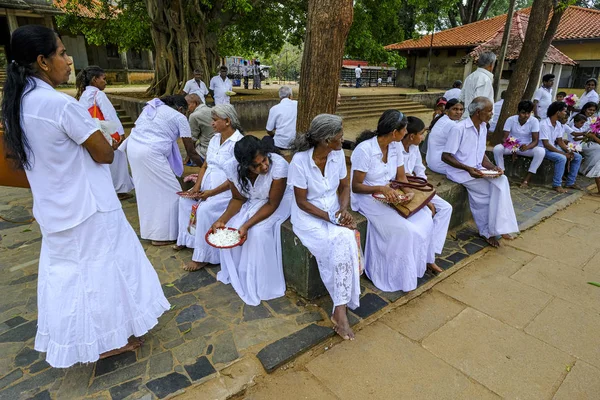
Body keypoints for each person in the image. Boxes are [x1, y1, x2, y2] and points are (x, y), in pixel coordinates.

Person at [1, 25, 169, 368]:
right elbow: (103, 154)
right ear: (42, 61)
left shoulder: (19, 103)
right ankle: (107, 340)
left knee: (67, 276)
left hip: (55, 206)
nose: (69, 60)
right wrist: (110, 142)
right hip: (89, 206)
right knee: (102, 272)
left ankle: (89, 338)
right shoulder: (60, 105)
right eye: (62, 53)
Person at [351, 109, 441, 296]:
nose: (406, 133)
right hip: (367, 198)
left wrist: (408, 194)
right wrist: (380, 189)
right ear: (394, 132)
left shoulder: (395, 147)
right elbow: (356, 186)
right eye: (404, 130)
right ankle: (392, 276)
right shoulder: (365, 150)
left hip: (392, 194)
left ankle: (413, 270)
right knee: (406, 231)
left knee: (425, 217)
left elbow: (401, 177)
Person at [288, 114, 361, 340]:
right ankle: (341, 309)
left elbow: (344, 186)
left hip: (333, 211)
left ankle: (339, 310)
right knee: (336, 245)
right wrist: (330, 217)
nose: (342, 139)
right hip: (308, 217)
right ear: (326, 140)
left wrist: (344, 210)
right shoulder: (300, 161)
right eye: (339, 137)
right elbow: (301, 202)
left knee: (346, 239)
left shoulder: (337, 155)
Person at [213, 136, 293, 305]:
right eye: (256, 165)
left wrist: (247, 225)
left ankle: (263, 282)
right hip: (254, 202)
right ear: (244, 166)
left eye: (264, 159)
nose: (264, 166)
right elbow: (237, 199)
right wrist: (222, 220)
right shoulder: (231, 168)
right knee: (231, 227)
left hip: (280, 201)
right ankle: (242, 272)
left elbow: (272, 203)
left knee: (257, 232)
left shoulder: (279, 166)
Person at [442, 97, 519, 248]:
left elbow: (481, 154)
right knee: (487, 193)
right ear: (478, 112)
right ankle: (487, 231)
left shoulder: (483, 127)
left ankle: (502, 226)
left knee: (502, 180)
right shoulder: (459, 128)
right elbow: (446, 156)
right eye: (489, 111)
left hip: (477, 169)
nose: (492, 113)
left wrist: (492, 166)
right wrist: (468, 169)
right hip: (461, 172)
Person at [126, 95, 200, 246]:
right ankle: (163, 235)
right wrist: (206, 166)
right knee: (172, 192)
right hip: (150, 153)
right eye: (185, 111)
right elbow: (191, 152)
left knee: (148, 192)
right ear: (181, 109)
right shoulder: (179, 117)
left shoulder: (152, 108)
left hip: (133, 148)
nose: (185, 114)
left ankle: (152, 232)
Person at [185, 105, 245, 271]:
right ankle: (189, 242)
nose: (211, 123)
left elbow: (234, 178)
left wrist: (211, 193)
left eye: (215, 120)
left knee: (204, 210)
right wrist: (197, 187)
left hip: (226, 192)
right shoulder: (214, 139)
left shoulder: (238, 143)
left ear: (227, 121)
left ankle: (203, 256)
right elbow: (205, 165)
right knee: (184, 202)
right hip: (207, 187)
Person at [401, 117, 453, 273]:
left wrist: (425, 189)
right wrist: (424, 199)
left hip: (418, 187)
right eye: (421, 134)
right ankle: (425, 257)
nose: (423, 137)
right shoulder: (395, 149)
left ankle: (429, 256)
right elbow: (399, 177)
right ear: (411, 136)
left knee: (445, 208)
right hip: (403, 189)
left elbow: (420, 169)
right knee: (427, 212)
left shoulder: (414, 148)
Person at [76, 65, 134, 200]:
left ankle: (107, 188)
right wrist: (119, 134)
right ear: (95, 80)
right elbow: (110, 115)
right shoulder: (98, 94)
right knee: (117, 159)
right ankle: (119, 189)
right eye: (103, 78)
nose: (105, 81)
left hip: (94, 133)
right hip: (106, 132)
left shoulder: (83, 95)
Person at [492, 100, 545, 188]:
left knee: (541, 151)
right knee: (497, 148)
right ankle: (502, 174)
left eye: (529, 113)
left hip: (525, 148)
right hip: (511, 146)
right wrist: (513, 147)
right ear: (518, 112)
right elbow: (504, 138)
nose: (526, 116)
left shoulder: (534, 121)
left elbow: (535, 140)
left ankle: (526, 180)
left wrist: (527, 147)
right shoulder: (511, 119)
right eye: (523, 113)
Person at [539, 101, 583, 193]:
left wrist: (568, 151)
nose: (565, 113)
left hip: (553, 148)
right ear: (557, 112)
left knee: (577, 157)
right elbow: (546, 144)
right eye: (564, 111)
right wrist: (563, 153)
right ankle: (556, 184)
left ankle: (570, 182)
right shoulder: (544, 124)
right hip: (544, 149)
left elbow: (560, 141)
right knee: (562, 158)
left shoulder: (558, 124)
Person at [426, 99, 464, 174]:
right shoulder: (452, 125)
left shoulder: (442, 119)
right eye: (455, 109)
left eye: (461, 109)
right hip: (441, 165)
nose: (459, 112)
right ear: (446, 111)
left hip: (431, 162)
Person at [459, 52, 496, 117]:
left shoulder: (470, 76)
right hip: (477, 120)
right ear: (491, 64)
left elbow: (462, 98)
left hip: (467, 116)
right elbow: (480, 104)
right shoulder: (485, 79)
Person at [574, 104, 600, 196]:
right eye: (590, 109)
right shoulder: (578, 118)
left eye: (593, 110)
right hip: (578, 142)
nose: (591, 112)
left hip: (587, 142)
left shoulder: (592, 120)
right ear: (585, 109)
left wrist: (592, 136)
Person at [265, 86, 298, 150]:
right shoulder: (297, 104)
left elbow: (269, 130)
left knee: (266, 139)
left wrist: (274, 136)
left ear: (280, 97)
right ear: (290, 96)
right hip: (296, 142)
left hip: (280, 144)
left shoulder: (274, 109)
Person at [187, 94, 215, 165]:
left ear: (195, 103)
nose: (187, 108)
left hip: (206, 152)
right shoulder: (212, 110)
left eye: (188, 105)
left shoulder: (194, 116)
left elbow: (193, 140)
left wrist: (188, 157)